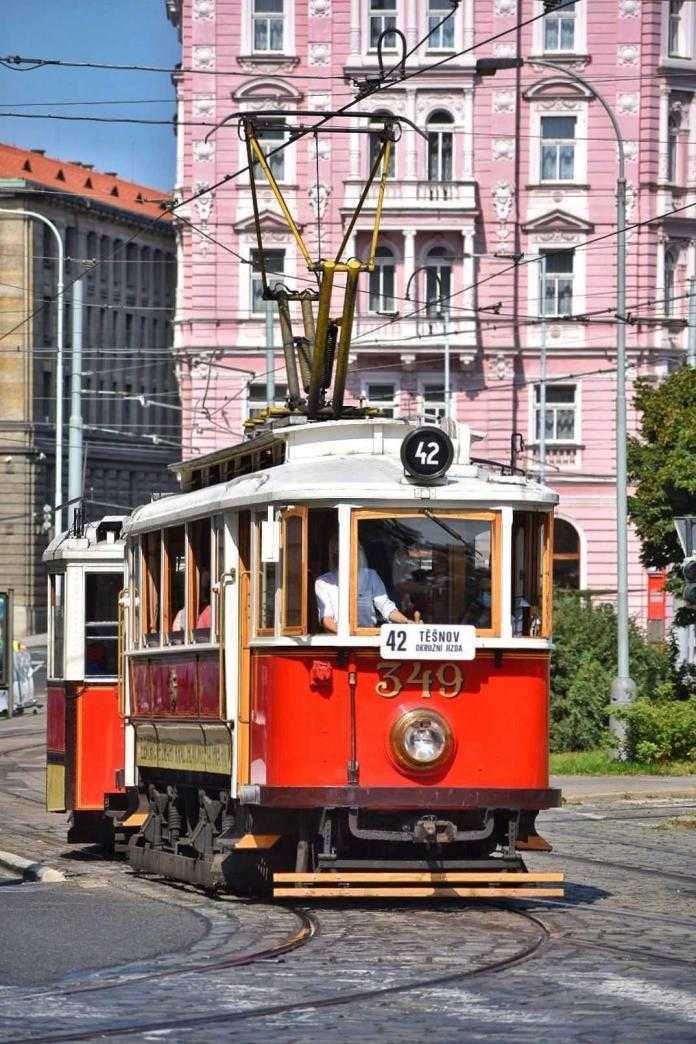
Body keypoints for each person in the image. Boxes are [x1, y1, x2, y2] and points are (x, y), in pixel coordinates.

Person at [315, 535, 420, 633]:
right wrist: (347, 635)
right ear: (335, 556)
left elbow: (385, 606)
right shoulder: (323, 582)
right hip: (339, 641)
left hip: (366, 635)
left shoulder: (370, 576)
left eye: (354, 552)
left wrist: (406, 622)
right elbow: (327, 618)